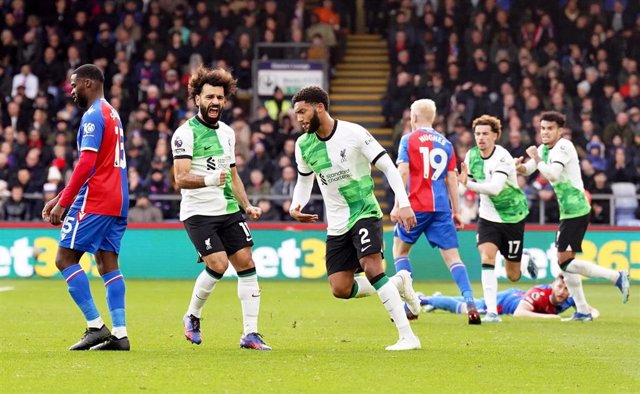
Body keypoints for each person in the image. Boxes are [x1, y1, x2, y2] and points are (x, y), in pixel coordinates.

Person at [289, 86, 421, 351]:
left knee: (373, 268)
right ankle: (398, 282)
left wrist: (403, 203)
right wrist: (295, 205)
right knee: (340, 288)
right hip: (337, 223)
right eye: (296, 114)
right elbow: (305, 180)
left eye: (302, 111)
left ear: (319, 107)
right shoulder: (303, 145)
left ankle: (408, 337)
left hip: (364, 211)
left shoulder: (354, 133)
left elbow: (388, 167)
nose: (299, 118)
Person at [171, 65, 270, 350]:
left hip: (227, 209)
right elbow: (180, 178)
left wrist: (247, 204)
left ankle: (250, 334)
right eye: (209, 97)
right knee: (218, 264)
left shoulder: (227, 132)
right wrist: (210, 179)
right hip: (198, 212)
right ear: (197, 99)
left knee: (247, 264)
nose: (215, 102)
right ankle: (192, 315)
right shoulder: (184, 134)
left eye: (220, 97)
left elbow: (234, 174)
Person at [42, 64, 130, 351]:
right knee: (107, 263)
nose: (72, 90)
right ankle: (120, 334)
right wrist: (60, 198)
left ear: (89, 83)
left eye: (75, 84)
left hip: (97, 197)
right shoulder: (112, 113)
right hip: (118, 197)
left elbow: (87, 164)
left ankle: (95, 326)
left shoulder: (92, 116)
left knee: (65, 259)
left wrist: (63, 202)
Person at [516, 111, 630, 321]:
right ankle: (583, 311)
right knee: (566, 266)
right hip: (567, 212)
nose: (545, 132)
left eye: (550, 128)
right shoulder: (542, 149)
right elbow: (528, 169)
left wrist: (536, 157)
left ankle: (616, 277)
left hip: (577, 209)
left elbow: (552, 174)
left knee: (565, 263)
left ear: (560, 131)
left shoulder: (564, 146)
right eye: (542, 128)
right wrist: (519, 166)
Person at [390, 99, 481, 325]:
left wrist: (398, 204)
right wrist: (456, 210)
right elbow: (452, 178)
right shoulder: (446, 143)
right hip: (441, 208)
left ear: (413, 117)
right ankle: (470, 300)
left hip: (415, 207)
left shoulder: (408, 140)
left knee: (400, 252)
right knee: (453, 258)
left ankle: (410, 305)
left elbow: (402, 173)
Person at [457, 114, 538, 323]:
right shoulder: (471, 156)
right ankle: (492, 311)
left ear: (495, 136)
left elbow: (494, 188)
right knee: (487, 258)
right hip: (488, 217)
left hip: (513, 217)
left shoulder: (502, 157)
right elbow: (462, 183)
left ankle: (525, 258)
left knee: (513, 275)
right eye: (477, 134)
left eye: (485, 134)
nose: (480, 138)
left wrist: (467, 184)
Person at [419, 275, 600, 319]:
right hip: (505, 303)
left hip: (515, 294)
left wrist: (590, 315)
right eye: (560, 286)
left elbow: (591, 310)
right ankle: (423, 299)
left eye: (566, 289)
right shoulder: (540, 293)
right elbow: (519, 314)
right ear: (553, 284)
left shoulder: (570, 298)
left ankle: (437, 298)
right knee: (470, 308)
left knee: (474, 303)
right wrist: (550, 317)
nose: (562, 291)